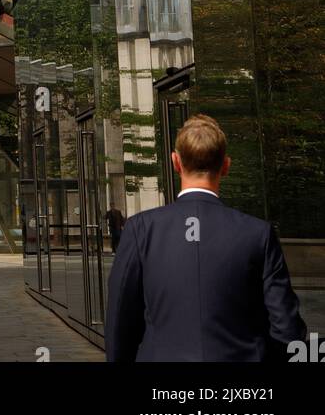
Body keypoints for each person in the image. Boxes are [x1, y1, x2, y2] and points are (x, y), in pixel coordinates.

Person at [105, 114, 307, 363]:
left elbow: (119, 322)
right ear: (226, 165)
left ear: (176, 162)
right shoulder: (258, 233)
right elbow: (287, 329)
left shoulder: (141, 229)